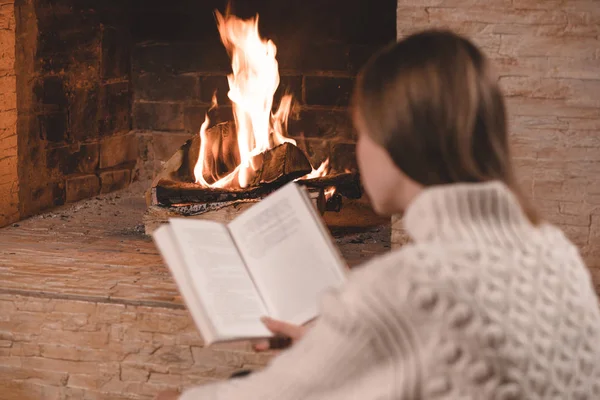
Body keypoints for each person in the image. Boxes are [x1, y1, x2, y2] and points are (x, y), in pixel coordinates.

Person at [156, 29, 600, 399]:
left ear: (400, 142)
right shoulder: (558, 256)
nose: (360, 150)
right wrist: (330, 349)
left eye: (363, 132)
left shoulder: (404, 288)